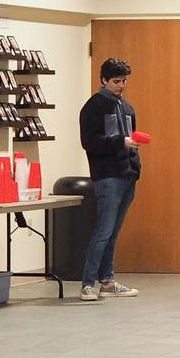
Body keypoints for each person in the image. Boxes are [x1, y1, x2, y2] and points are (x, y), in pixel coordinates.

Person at [77, 57, 145, 302]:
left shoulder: (127, 108)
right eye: (116, 81)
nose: (121, 86)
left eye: (124, 81)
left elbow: (131, 139)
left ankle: (107, 280)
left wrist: (135, 167)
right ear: (103, 80)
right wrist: (120, 142)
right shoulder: (93, 107)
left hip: (127, 176)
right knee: (103, 230)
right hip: (107, 176)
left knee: (113, 232)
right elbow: (90, 143)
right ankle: (87, 283)